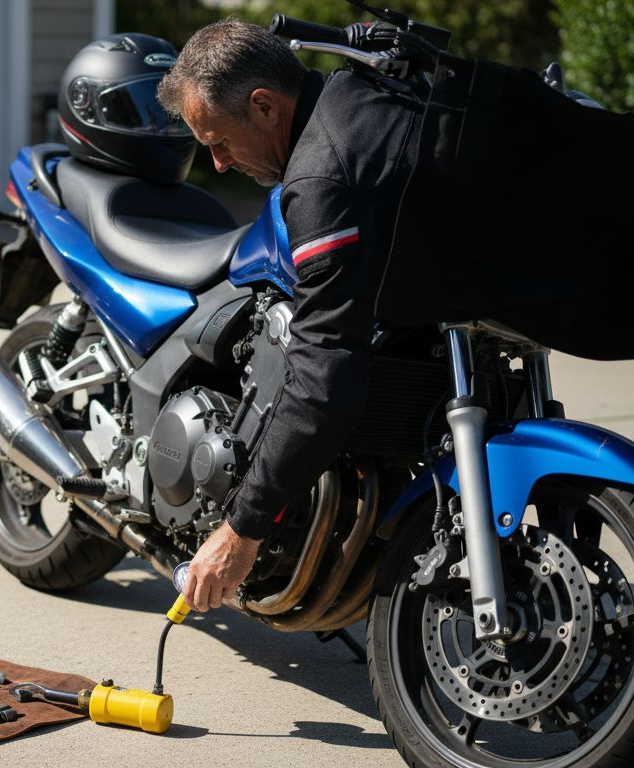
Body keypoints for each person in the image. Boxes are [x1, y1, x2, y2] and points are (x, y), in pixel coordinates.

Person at [155, 19, 424, 613]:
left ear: (264, 107)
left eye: (218, 141)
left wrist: (240, 531)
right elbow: (322, 373)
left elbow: (328, 375)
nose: (218, 164)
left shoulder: (335, 159)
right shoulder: (324, 159)